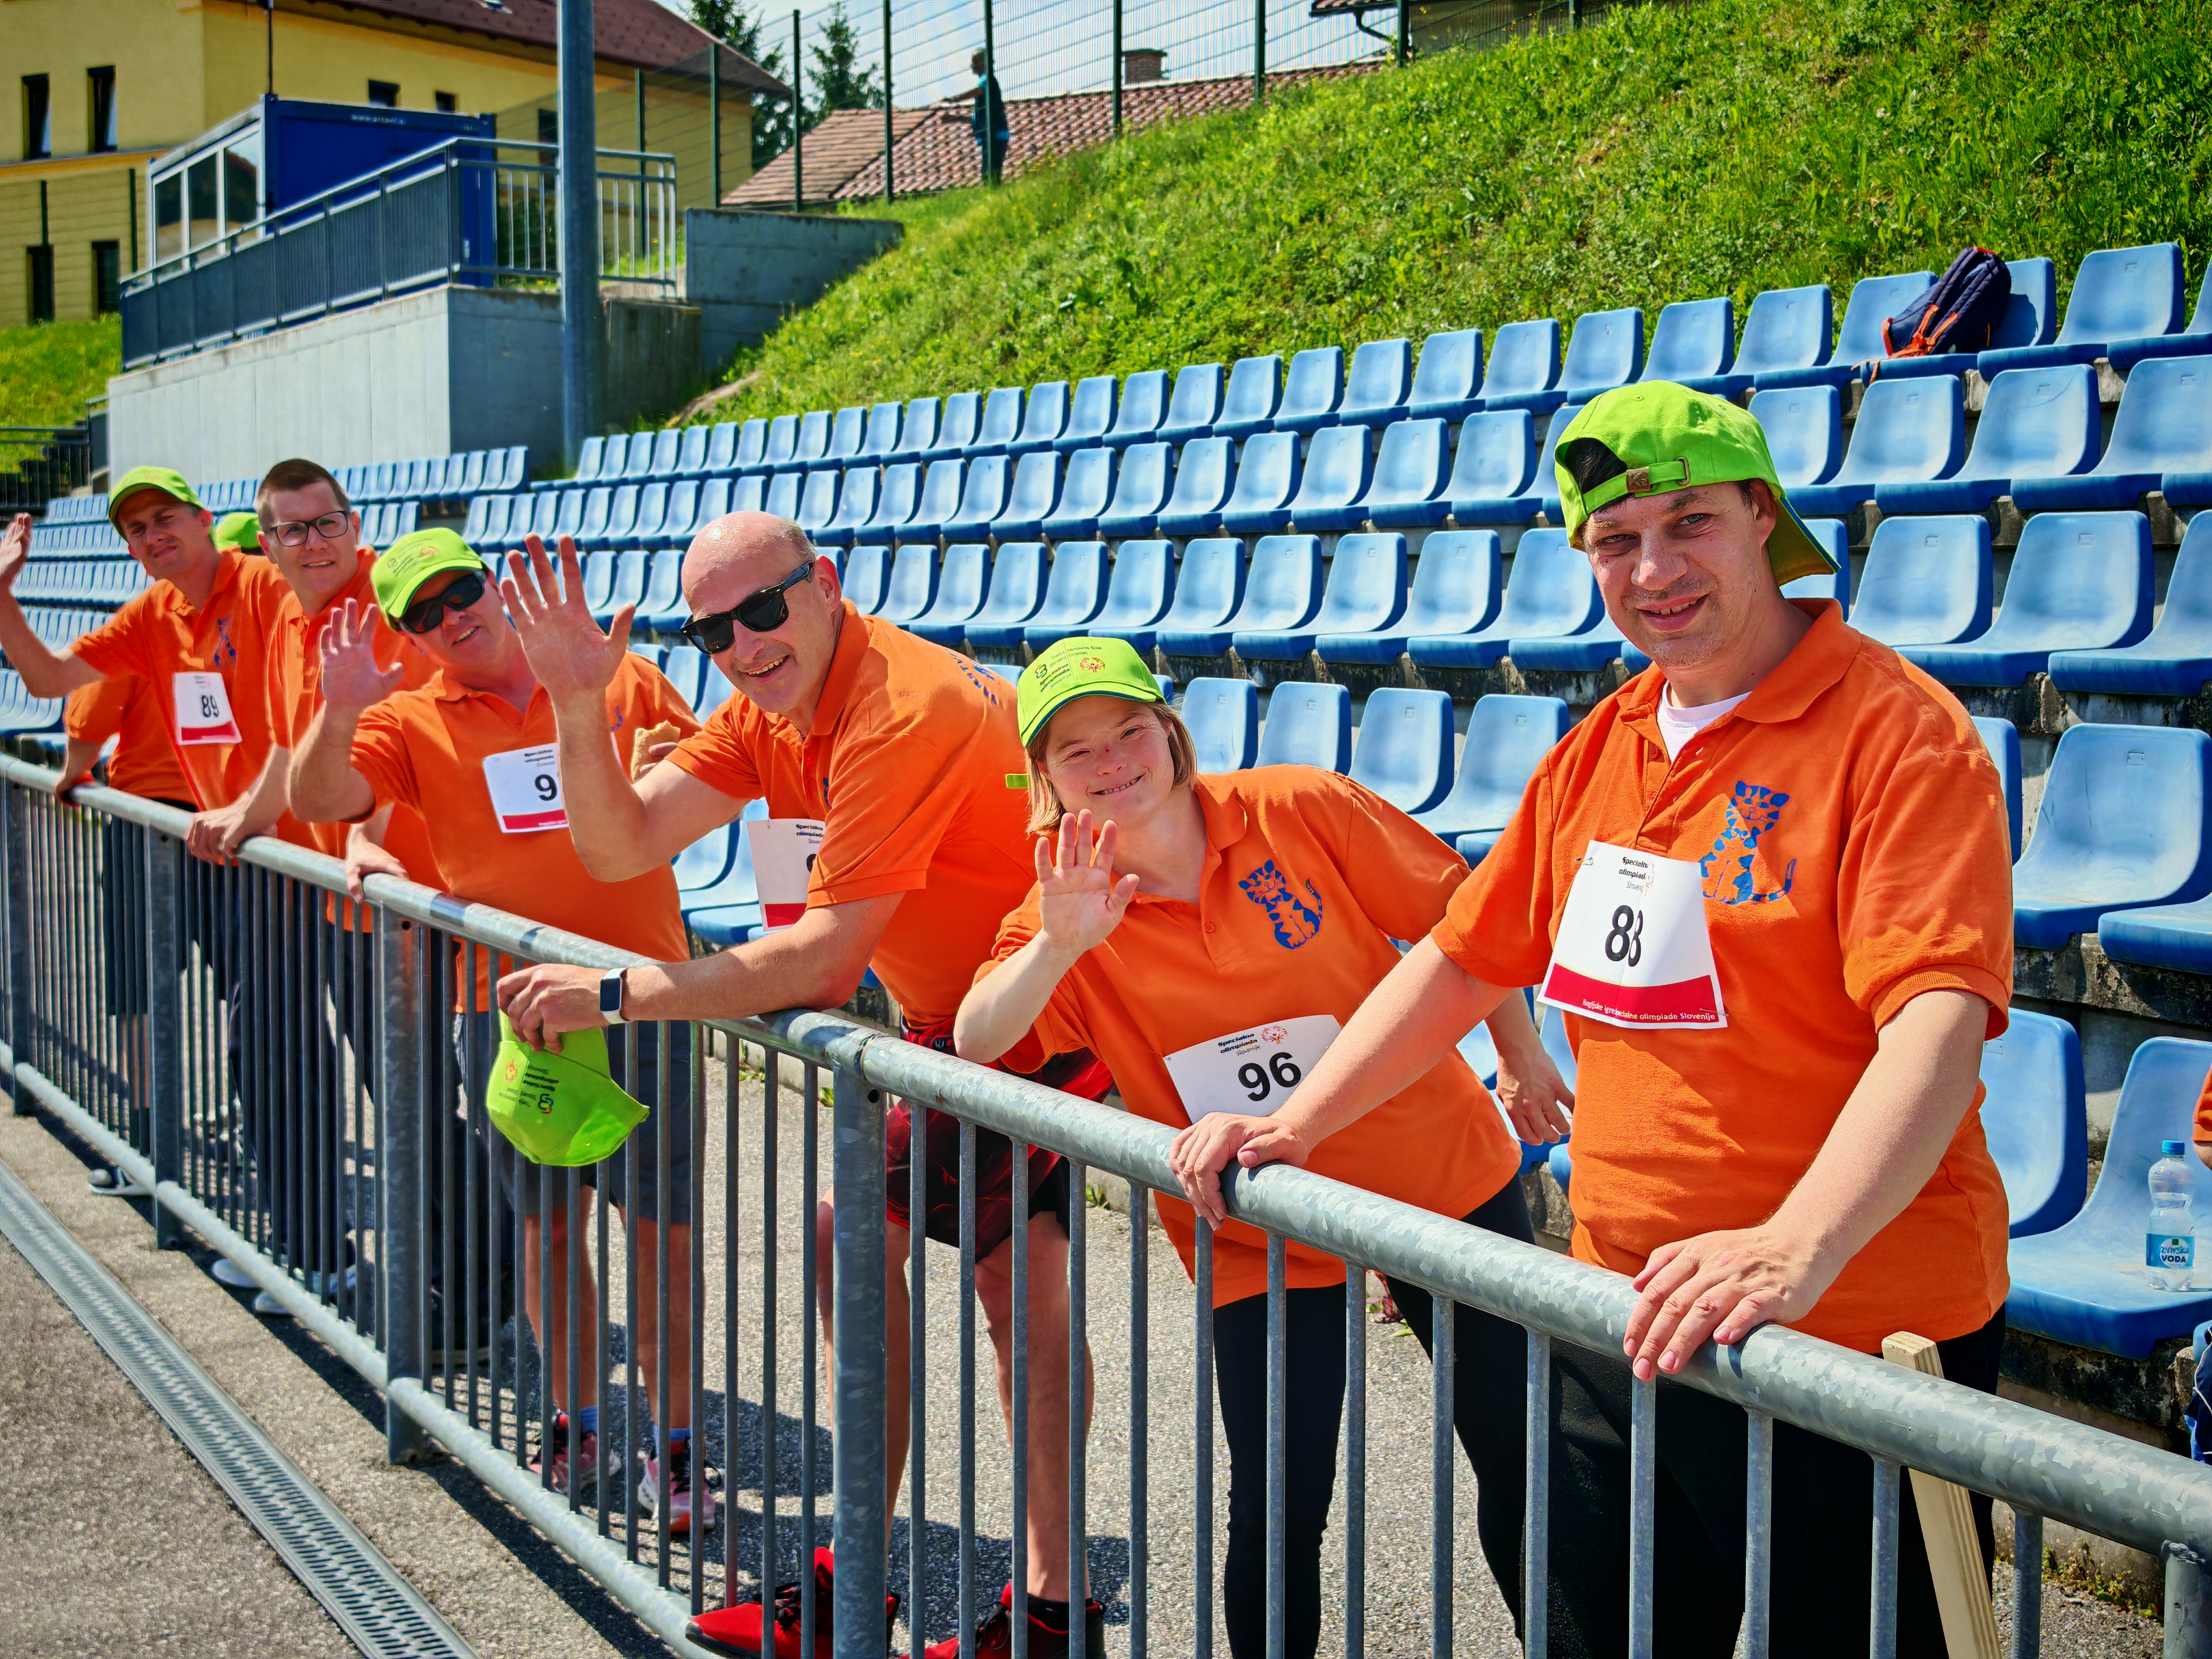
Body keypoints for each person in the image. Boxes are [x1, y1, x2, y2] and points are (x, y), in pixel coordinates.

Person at [1186, 383, 2015, 1658]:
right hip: (1625, 1305)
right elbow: (1463, 960)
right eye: (1616, 541)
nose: (1655, 568)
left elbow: (1936, 1024)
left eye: (1689, 523)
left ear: (1762, 516)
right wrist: (1298, 1121)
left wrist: (1791, 1246)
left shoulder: (1900, 736)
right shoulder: (1606, 741)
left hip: (1846, 1329)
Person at [489, 513, 1103, 1658]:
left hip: (1049, 1008)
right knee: (879, 1249)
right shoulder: (765, 705)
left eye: (762, 611)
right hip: (951, 1028)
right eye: (710, 629)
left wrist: (617, 994)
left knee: (1009, 1290)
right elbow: (620, 846)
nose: (741, 643)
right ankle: (886, 1584)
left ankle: (1030, 1607)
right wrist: (580, 703)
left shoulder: (897, 705)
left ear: (824, 585)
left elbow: (823, 958)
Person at [953, 637, 1572, 1659]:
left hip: (1441, 1177)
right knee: (1281, 1500)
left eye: (1129, 732)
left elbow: (1466, 922)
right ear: (1045, 783)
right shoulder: (1067, 903)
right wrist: (1063, 941)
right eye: (1076, 753)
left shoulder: (1296, 805)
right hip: (1263, 1228)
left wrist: (1519, 1052)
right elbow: (979, 1038)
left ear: (1171, 733)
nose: (1111, 764)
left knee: (1521, 1459)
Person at [286, 527, 710, 1531]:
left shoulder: (616, 672)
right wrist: (337, 709)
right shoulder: (406, 718)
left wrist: (657, 766)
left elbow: (706, 775)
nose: (451, 617)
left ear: (492, 585)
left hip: (639, 992)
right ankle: (577, 1416)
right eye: (421, 613)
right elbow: (319, 796)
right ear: (408, 637)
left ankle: (677, 1441)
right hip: (511, 1010)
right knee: (545, 1225)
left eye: (460, 591)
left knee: (660, 1232)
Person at [0, 468, 293, 1245]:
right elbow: (51, 678)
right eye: (137, 529)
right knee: (235, 1011)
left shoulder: (265, 587)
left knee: (256, 1022)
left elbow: (312, 705)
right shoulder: (153, 613)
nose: (154, 535)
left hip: (259, 839)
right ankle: (242, 1167)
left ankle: (268, 1190)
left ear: (203, 521)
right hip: (198, 827)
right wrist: (2, 596)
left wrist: (73, 775)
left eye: (166, 518)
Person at [60, 671, 192, 1202]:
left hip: (145, 818)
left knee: (137, 992)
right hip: (233, 822)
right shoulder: (254, 602)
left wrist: (71, 774)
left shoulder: (139, 623)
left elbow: (88, 719)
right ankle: (263, 1150)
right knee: (246, 1000)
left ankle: (146, 1150)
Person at [956, 49, 1011, 184]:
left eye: (975, 62)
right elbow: (978, 119)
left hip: (995, 134)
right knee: (988, 173)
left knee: (990, 173)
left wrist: (955, 99)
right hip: (990, 136)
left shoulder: (987, 80)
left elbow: (978, 91)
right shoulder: (985, 88)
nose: (972, 66)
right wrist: (956, 118)